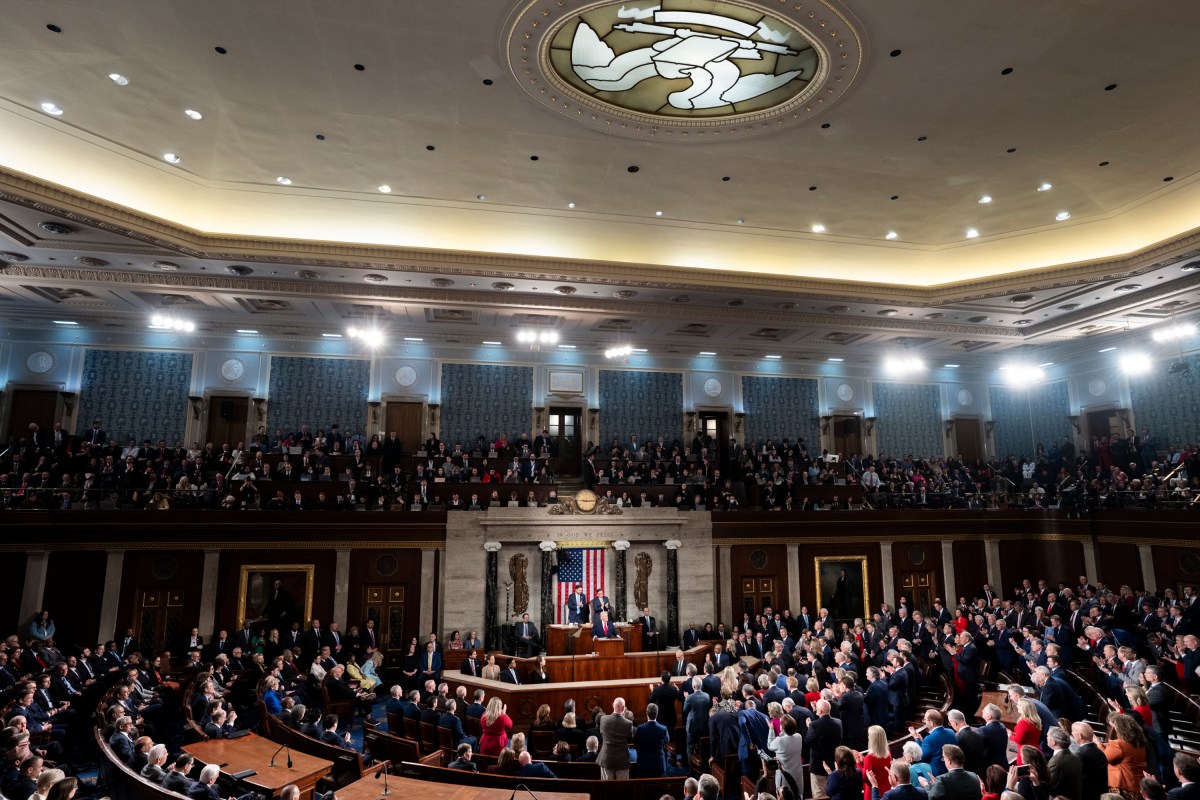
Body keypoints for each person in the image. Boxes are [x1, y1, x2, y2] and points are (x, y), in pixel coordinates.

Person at [1101, 713, 1147, 798]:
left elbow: (1104, 758)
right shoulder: (1140, 744)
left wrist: (1098, 744)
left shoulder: (1118, 744)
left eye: (1115, 728)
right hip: (1137, 784)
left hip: (1122, 785)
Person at [807, 698, 843, 798]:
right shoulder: (838, 722)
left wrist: (808, 728)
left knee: (819, 794)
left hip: (818, 766)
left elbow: (808, 742)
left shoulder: (813, 725)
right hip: (834, 763)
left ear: (820, 711)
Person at [597, 697, 636, 780]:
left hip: (606, 758)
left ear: (613, 706)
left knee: (606, 788)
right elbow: (629, 739)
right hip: (622, 760)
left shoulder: (603, 719)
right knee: (622, 788)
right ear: (623, 708)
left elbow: (602, 733)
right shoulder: (628, 723)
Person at [737, 697, 771, 783]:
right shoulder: (765, 716)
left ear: (746, 707)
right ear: (755, 706)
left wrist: (749, 742)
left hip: (748, 751)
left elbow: (742, 723)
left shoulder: (743, 713)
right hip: (762, 751)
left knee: (748, 779)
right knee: (760, 777)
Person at [1044, 726, 1081, 800]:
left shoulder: (1056, 762)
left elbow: (1049, 786)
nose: (1046, 738)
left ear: (1053, 742)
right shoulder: (1075, 757)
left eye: (1047, 736)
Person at [634, 703, 670, 777]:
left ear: (646, 713)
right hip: (658, 763)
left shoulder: (641, 728)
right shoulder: (663, 728)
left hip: (644, 763)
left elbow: (635, 741)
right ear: (657, 713)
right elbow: (667, 740)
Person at [862, 725, 893, 800]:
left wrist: (858, 764)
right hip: (887, 789)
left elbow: (865, 778)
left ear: (873, 739)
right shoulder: (888, 755)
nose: (868, 737)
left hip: (873, 792)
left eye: (869, 736)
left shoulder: (869, 758)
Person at [1010, 699, 1042, 766]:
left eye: (1018, 705)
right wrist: (1013, 734)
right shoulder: (1035, 720)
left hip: (1026, 754)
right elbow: (1029, 735)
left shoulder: (1024, 722)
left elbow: (1018, 740)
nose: (1017, 706)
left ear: (1023, 708)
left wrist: (1009, 735)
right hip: (1036, 751)